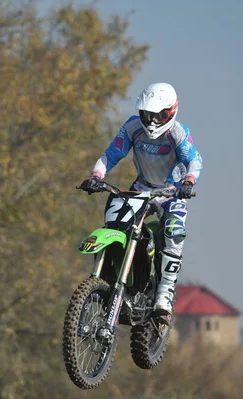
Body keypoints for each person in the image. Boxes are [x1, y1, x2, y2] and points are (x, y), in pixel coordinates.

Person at [79, 82, 202, 323]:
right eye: (148, 114)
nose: (153, 121)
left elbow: (194, 160)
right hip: (142, 187)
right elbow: (110, 154)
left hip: (172, 192)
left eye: (159, 115)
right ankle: (113, 278)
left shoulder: (177, 132)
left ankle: (165, 291)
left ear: (171, 111)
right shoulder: (133, 127)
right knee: (117, 223)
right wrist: (96, 176)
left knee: (174, 231)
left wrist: (188, 181)